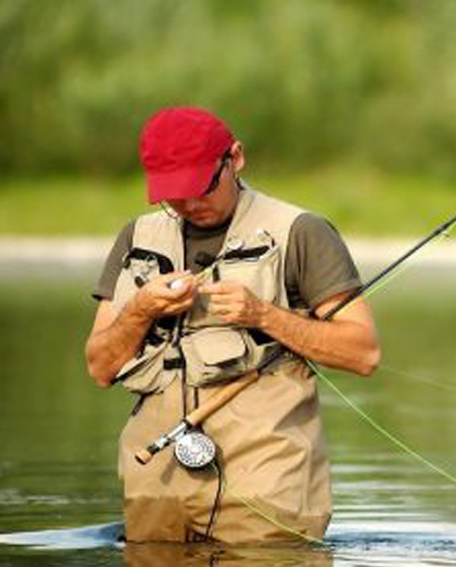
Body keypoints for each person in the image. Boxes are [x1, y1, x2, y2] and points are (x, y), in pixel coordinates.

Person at [85, 106, 380, 543]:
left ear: (235, 158)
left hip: (268, 485)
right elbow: (100, 367)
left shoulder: (302, 232)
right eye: (172, 194)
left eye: (200, 187)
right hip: (154, 481)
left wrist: (263, 315)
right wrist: (141, 309)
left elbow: (364, 353)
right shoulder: (136, 237)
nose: (188, 204)